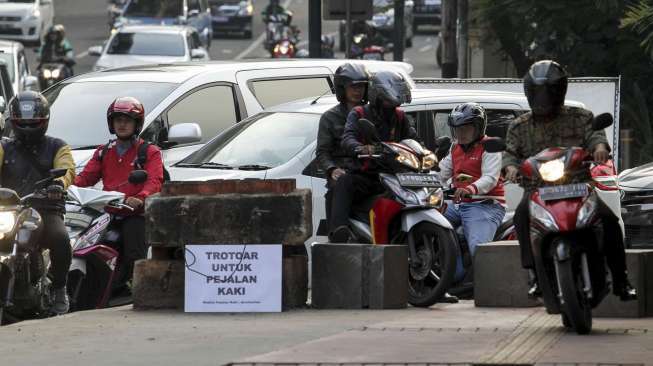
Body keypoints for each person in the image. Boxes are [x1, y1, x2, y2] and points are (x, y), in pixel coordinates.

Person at [503, 60, 637, 301]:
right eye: (537, 93)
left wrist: (598, 148)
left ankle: (621, 279)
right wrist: (511, 168)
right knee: (521, 216)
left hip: (578, 187)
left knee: (610, 222)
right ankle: (534, 274)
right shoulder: (518, 126)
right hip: (538, 190)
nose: (542, 99)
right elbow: (509, 154)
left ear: (559, 91)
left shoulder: (580, 117)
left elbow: (596, 135)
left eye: (547, 93)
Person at [74, 97, 164, 296]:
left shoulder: (149, 152)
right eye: (118, 120)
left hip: (134, 213)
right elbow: (85, 177)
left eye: (127, 120)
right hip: (107, 211)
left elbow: (155, 181)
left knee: (134, 252)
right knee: (82, 244)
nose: (122, 124)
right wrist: (64, 186)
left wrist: (140, 197)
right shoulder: (103, 151)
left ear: (137, 124)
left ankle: (135, 290)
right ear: (111, 123)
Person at [0, 91, 75, 314]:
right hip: (9, 210)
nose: (28, 127)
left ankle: (60, 290)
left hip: (44, 209)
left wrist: (58, 185)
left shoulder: (58, 146)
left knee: (60, 239)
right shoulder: (4, 147)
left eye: (33, 123)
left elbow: (68, 169)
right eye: (23, 123)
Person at [329, 70, 417, 243]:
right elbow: (348, 138)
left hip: (395, 174)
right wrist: (361, 148)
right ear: (377, 96)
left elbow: (414, 138)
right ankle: (338, 230)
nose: (392, 106)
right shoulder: (359, 113)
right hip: (367, 173)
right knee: (345, 182)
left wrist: (426, 151)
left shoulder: (400, 116)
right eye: (388, 101)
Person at [438, 102, 506, 282]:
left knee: (479, 249)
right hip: (458, 205)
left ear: (478, 128)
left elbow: (490, 178)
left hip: (485, 206)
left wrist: (469, 189)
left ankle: (486, 286)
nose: (461, 133)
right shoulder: (454, 148)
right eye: (457, 129)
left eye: (466, 128)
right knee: (432, 226)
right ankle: (454, 276)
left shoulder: (490, 147)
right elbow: (441, 173)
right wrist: (424, 182)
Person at [317, 63, 369, 231]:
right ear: (342, 89)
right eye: (353, 86)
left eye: (361, 86)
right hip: (344, 173)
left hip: (369, 172)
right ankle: (339, 230)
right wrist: (332, 169)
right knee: (342, 182)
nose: (357, 91)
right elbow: (322, 152)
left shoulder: (373, 114)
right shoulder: (329, 117)